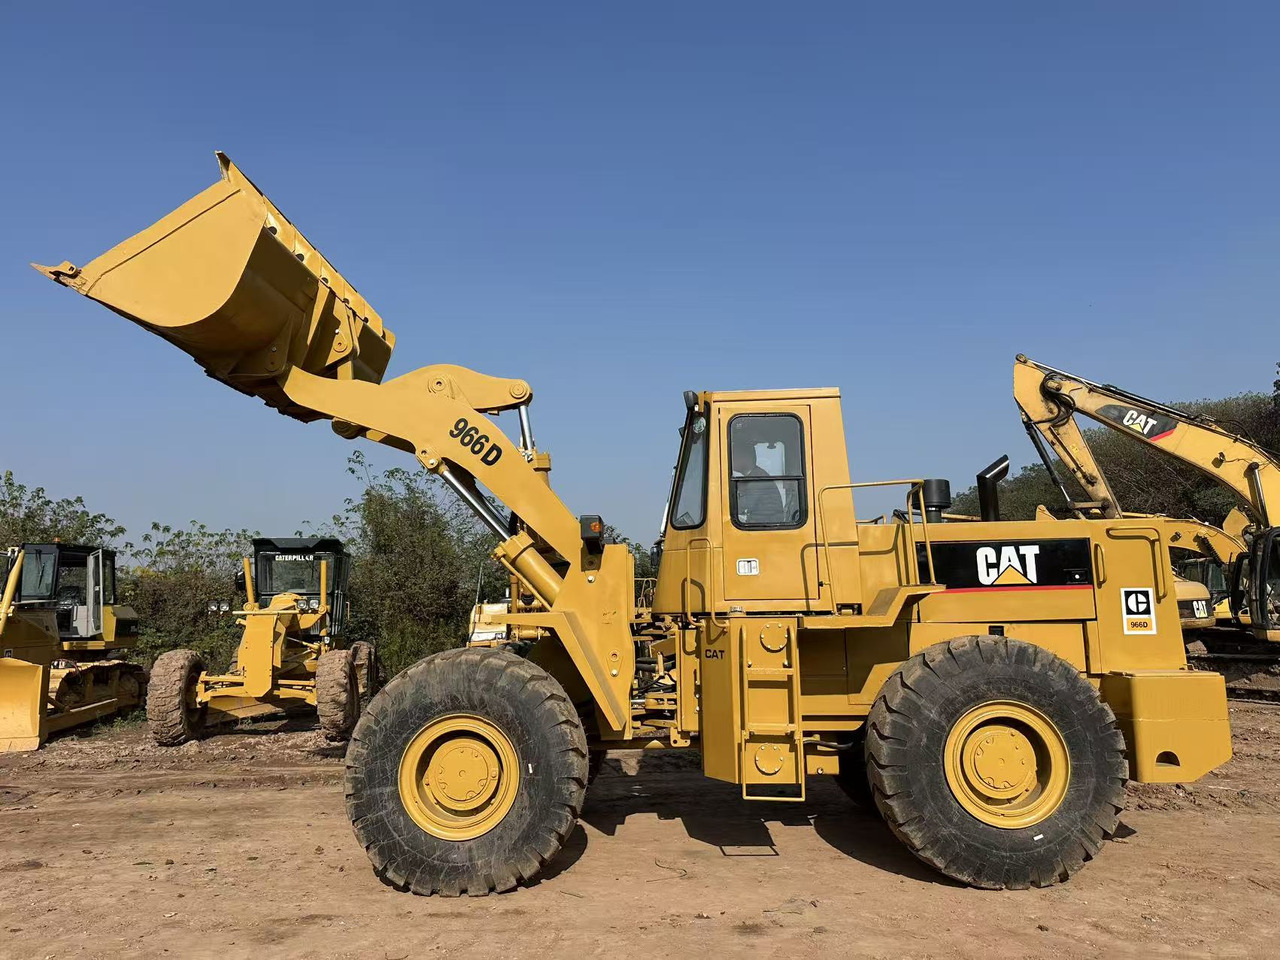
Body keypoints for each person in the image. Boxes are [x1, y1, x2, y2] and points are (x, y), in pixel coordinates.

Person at [731, 439, 786, 525]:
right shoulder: (754, 475)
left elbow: (739, 507)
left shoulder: (757, 478)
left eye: (733, 456)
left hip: (765, 527)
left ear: (745, 458)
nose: (731, 461)